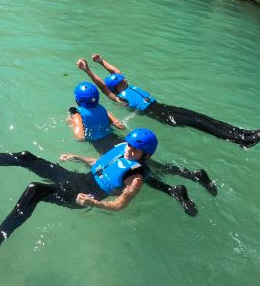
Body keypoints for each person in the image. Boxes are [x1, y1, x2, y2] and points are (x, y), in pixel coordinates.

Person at [0, 128, 160, 256]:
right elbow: (102, 163)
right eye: (130, 145)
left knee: (35, 189)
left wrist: (95, 204)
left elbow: (120, 205)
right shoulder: (122, 147)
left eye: (135, 150)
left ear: (146, 154)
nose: (129, 150)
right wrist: (77, 157)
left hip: (83, 196)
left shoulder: (136, 177)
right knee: (25, 156)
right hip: (78, 179)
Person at [68, 82, 217, 215]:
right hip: (121, 142)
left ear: (78, 99)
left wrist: (71, 124)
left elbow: (80, 137)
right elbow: (118, 124)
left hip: (109, 148)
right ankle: (190, 177)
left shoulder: (77, 115)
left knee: (139, 175)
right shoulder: (102, 109)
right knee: (150, 169)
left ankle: (175, 188)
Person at [77, 54, 260, 148]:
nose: (124, 79)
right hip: (161, 115)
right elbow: (103, 85)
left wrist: (101, 61)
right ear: (117, 87)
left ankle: (242, 133)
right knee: (199, 123)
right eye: (121, 81)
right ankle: (240, 141)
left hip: (163, 106)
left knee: (203, 117)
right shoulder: (118, 97)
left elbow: (115, 72)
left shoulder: (124, 84)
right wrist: (88, 70)